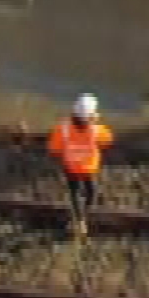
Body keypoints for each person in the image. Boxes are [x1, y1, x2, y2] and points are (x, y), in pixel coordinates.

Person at [46, 93, 114, 235]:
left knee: (74, 192)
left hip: (70, 167)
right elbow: (108, 140)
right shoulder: (96, 130)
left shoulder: (63, 128)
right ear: (91, 115)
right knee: (91, 191)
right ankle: (86, 214)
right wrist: (96, 122)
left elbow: (54, 148)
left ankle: (78, 219)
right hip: (89, 168)